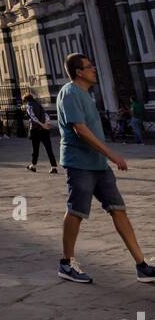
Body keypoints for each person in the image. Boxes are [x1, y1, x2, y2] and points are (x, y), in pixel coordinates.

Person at [56, 53, 155, 285]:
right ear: (79, 72)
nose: (94, 70)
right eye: (89, 67)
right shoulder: (69, 93)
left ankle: (141, 265)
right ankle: (66, 263)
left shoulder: (86, 95)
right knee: (76, 211)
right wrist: (111, 154)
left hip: (98, 165)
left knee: (118, 209)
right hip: (79, 163)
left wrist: (105, 158)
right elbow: (80, 129)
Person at [24, 92, 58, 173]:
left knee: (35, 149)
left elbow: (33, 117)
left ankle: (33, 166)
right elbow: (46, 115)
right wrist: (47, 123)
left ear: (26, 100)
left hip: (35, 130)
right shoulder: (39, 105)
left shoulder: (29, 106)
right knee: (49, 149)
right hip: (44, 131)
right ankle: (53, 167)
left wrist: (41, 124)